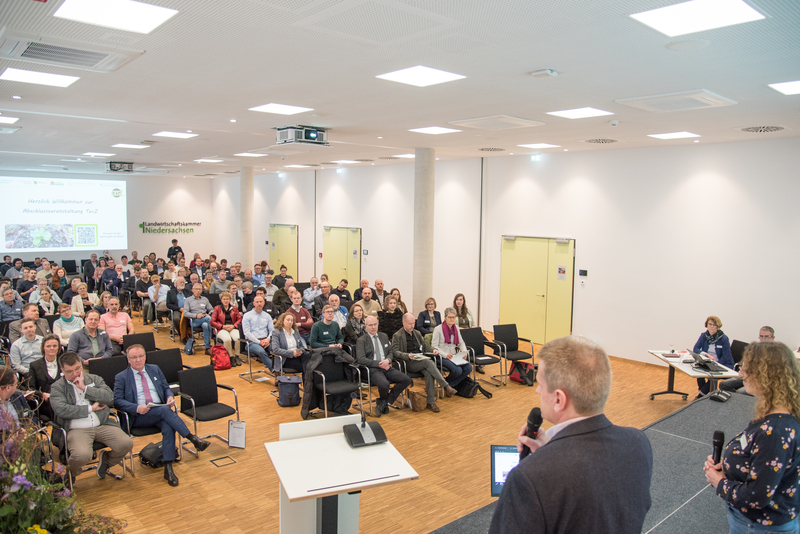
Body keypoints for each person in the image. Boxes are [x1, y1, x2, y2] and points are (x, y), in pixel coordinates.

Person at [489, 336, 653, 534]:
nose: (537, 391)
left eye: (540, 384)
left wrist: (542, 462)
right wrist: (548, 452)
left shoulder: (529, 477)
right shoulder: (638, 443)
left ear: (559, 399)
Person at [703, 342, 800, 533]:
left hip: (758, 525)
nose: (741, 374)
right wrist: (730, 467)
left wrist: (720, 482)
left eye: (745, 368)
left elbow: (756, 496)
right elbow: (765, 464)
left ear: (765, 375)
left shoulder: (774, 432)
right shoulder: (779, 415)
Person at [113, 344, 209, 486]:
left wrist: (169, 397)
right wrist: (136, 408)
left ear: (145, 356)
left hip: (159, 412)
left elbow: (165, 388)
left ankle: (168, 467)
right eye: (134, 357)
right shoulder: (121, 377)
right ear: (128, 359)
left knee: (168, 425)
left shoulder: (154, 369)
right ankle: (192, 438)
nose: (138, 360)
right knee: (166, 412)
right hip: (139, 416)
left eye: (141, 356)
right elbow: (117, 401)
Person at [50, 351, 134, 481]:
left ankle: (106, 461)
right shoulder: (57, 387)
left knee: (126, 443)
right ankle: (71, 474)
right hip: (77, 429)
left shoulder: (94, 379)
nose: (75, 374)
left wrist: (85, 389)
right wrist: (90, 409)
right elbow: (62, 410)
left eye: (77, 368)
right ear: (62, 371)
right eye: (70, 371)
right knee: (82, 455)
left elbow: (109, 397)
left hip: (102, 424)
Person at [391, 313, 455, 413]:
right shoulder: (397, 335)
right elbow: (395, 352)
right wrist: (407, 355)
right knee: (428, 362)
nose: (412, 326)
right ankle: (445, 386)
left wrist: (433, 350)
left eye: (413, 323)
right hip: (408, 362)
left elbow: (425, 347)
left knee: (429, 372)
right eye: (410, 324)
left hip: (420, 360)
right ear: (403, 323)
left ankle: (430, 402)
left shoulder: (417, 333)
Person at [355, 315, 412, 417]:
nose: (373, 327)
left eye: (375, 324)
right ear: (366, 326)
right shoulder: (361, 340)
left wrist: (388, 360)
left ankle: (384, 402)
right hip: (372, 368)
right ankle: (384, 403)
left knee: (406, 379)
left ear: (378, 324)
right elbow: (361, 359)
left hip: (386, 366)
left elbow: (390, 352)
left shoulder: (384, 336)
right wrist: (378, 364)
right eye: (370, 325)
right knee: (384, 384)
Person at [720, 326, 775, 393]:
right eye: (761, 336)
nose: (763, 339)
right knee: (724, 384)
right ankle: (733, 398)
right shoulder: (756, 349)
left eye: (766, 337)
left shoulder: (775, 353)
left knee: (740, 392)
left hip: (762, 381)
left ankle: (738, 398)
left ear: (773, 338)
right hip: (750, 377)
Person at [431, 308, 474, 388]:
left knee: (468, 368)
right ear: (445, 318)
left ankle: (449, 384)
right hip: (442, 356)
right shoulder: (438, 329)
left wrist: (464, 352)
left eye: (453, 317)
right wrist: (445, 354)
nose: (452, 319)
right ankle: (449, 386)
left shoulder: (456, 328)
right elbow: (434, 346)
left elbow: (461, 342)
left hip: (453, 356)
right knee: (458, 370)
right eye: (449, 317)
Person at [693, 315, 734, 397]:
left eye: (714, 325)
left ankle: (700, 396)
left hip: (723, 363)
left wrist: (716, 364)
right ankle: (703, 393)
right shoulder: (704, 336)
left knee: (712, 377)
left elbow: (726, 356)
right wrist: (707, 354)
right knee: (699, 372)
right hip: (708, 362)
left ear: (718, 326)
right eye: (710, 324)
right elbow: (695, 349)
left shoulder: (724, 338)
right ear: (706, 325)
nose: (712, 326)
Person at [27, 334, 61, 421]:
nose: (52, 348)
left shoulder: (64, 363)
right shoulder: (34, 365)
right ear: (43, 348)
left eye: (54, 346)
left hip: (62, 400)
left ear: (59, 348)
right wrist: (42, 395)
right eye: (48, 346)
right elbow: (31, 388)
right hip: (45, 403)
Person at [211, 291, 242, 366]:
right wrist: (222, 326)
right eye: (224, 299)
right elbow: (212, 321)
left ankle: (237, 356)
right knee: (227, 339)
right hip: (221, 329)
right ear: (221, 300)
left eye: (227, 299)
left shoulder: (234, 308)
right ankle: (230, 356)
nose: (225, 301)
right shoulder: (217, 308)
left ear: (230, 300)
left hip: (232, 327)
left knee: (237, 338)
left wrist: (234, 326)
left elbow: (239, 319)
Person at [243, 295, 274, 369]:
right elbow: (247, 333)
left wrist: (268, 339)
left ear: (264, 303)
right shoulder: (247, 316)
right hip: (252, 342)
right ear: (254, 303)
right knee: (261, 351)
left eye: (261, 302)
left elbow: (272, 330)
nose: (259, 304)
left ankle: (279, 368)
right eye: (257, 302)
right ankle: (274, 371)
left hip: (266, 340)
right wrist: (259, 342)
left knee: (276, 349)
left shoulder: (267, 316)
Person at [184, 284, 214, 355]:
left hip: (205, 319)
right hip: (194, 320)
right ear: (192, 290)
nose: (198, 291)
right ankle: (213, 335)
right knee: (208, 319)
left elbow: (212, 309)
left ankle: (207, 348)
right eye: (196, 289)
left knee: (205, 325)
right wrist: (196, 315)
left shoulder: (205, 299)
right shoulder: (188, 300)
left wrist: (209, 314)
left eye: (199, 289)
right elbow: (185, 313)